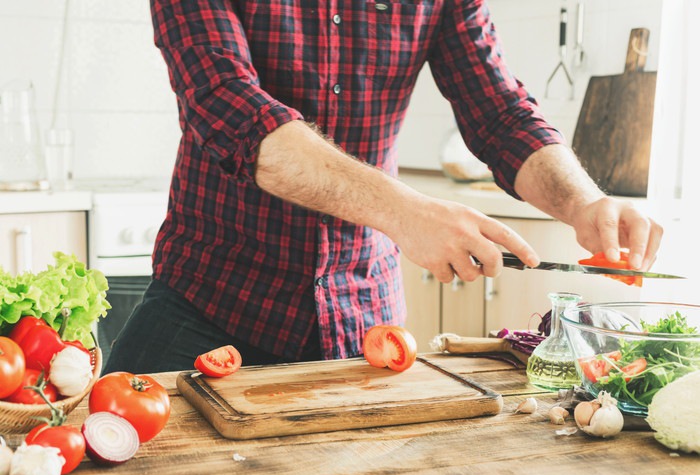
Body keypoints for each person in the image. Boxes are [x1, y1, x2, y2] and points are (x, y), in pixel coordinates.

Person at [103, 0, 662, 374]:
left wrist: (583, 201)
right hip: (210, 298)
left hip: (362, 317)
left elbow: (500, 113)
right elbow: (231, 109)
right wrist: (406, 212)